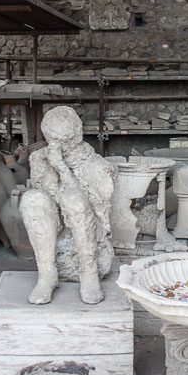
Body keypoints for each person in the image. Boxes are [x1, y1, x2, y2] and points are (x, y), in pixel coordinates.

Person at [19, 106, 117, 304]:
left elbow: (96, 211)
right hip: (57, 229)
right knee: (32, 198)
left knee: (74, 200)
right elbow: (46, 195)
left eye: (64, 141)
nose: (59, 147)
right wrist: (52, 167)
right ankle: (47, 274)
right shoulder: (38, 158)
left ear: (77, 135)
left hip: (89, 232)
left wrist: (62, 169)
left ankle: (88, 273)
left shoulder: (98, 166)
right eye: (53, 141)